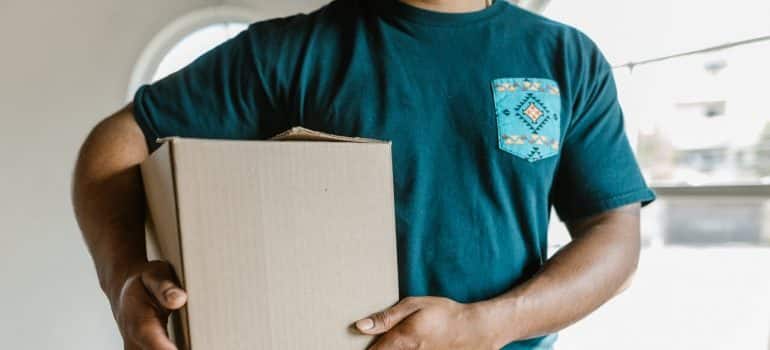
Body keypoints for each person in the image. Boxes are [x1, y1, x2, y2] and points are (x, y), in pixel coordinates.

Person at [72, 0, 656, 349]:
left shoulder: (566, 59)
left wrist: (485, 327)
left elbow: (614, 234)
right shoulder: (289, 52)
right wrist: (122, 281)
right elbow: (113, 145)